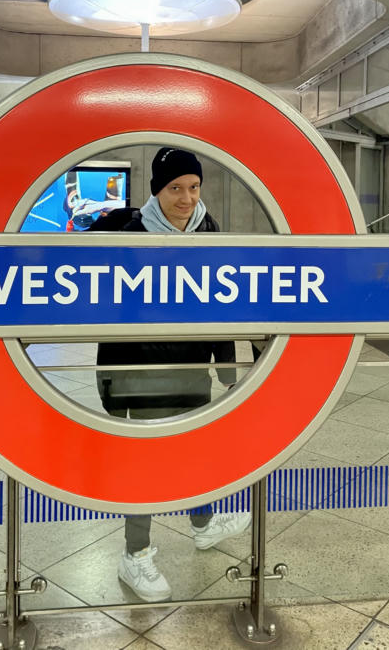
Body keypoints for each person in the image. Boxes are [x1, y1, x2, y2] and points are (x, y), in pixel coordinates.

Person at [95, 147, 251, 602]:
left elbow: (220, 305)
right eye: (175, 188)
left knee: (195, 447)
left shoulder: (208, 228)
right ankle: (135, 554)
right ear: (156, 191)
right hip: (138, 370)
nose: (186, 198)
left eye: (194, 187)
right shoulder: (124, 232)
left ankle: (203, 524)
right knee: (145, 462)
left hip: (191, 366)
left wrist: (226, 371)